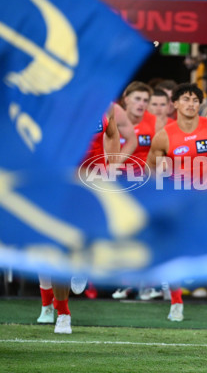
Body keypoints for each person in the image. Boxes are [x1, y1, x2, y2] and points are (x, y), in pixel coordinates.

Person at [147, 82, 207, 321]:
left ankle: (202, 286)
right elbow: (150, 167)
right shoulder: (163, 137)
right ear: (174, 104)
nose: (191, 104)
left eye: (195, 100)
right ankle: (176, 301)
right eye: (185, 99)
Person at [37, 106, 122, 334]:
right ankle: (63, 314)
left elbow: (113, 134)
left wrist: (112, 168)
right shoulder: (54, 106)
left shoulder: (107, 105)